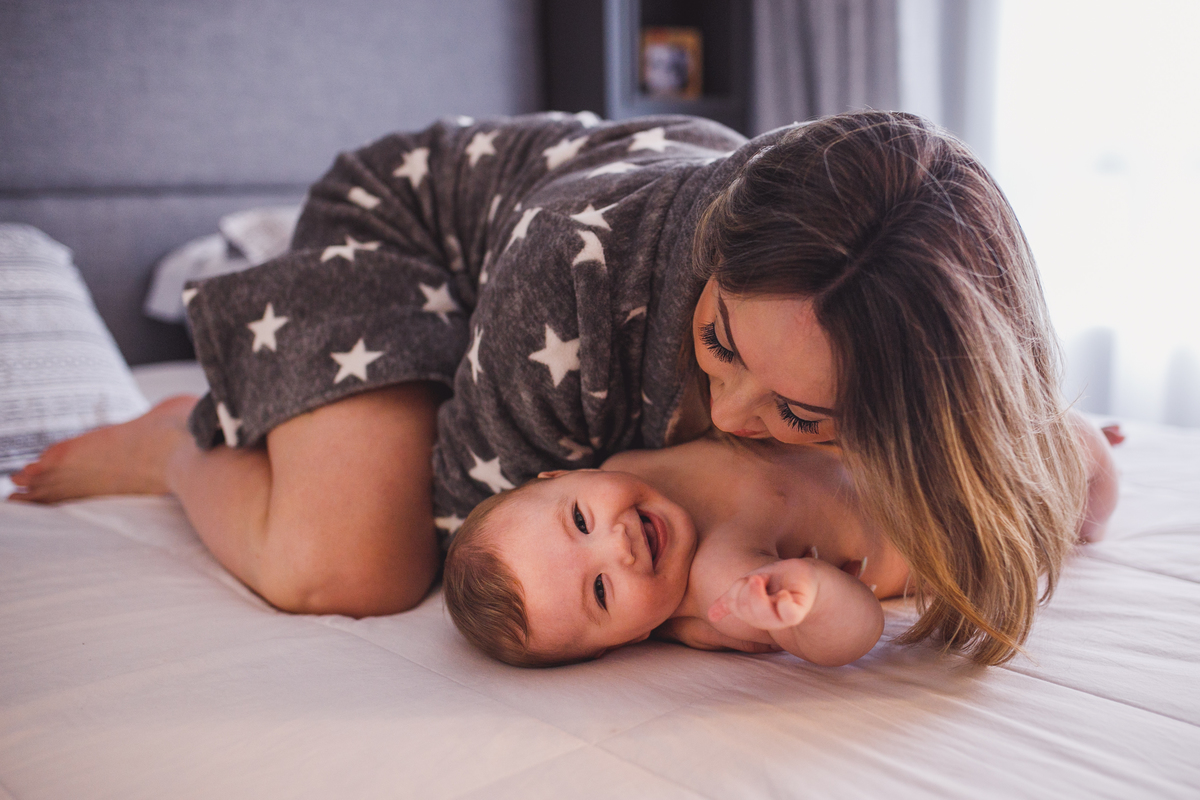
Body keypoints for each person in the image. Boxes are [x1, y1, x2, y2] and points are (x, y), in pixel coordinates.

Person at [9, 109, 1106, 665]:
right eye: (719, 339)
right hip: (404, 237)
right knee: (352, 562)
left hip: (534, 277)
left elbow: (1041, 469)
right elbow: (484, 527)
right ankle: (176, 447)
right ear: (721, 247)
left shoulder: (881, 292)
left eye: (800, 413)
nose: (731, 419)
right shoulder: (570, 286)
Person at [444, 420, 1118, 668]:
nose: (617, 546)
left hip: (916, 447)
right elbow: (854, 635)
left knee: (1038, 423)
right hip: (952, 526)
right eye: (600, 591)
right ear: (624, 641)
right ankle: (1093, 493)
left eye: (580, 520)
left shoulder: (633, 453)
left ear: (562, 475)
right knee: (1075, 474)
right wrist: (807, 603)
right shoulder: (718, 587)